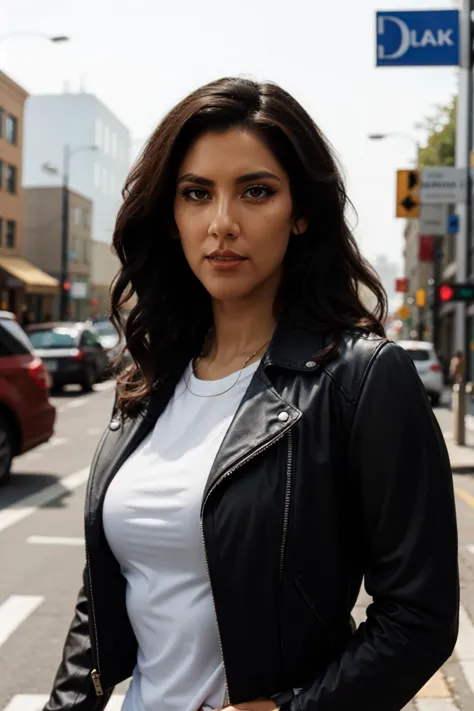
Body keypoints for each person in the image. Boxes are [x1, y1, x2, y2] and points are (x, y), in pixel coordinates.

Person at [44, 78, 459, 711]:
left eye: (256, 191)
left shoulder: (362, 380)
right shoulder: (148, 378)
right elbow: (97, 605)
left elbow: (419, 616)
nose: (222, 224)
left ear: (301, 213)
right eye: (196, 194)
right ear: (171, 214)